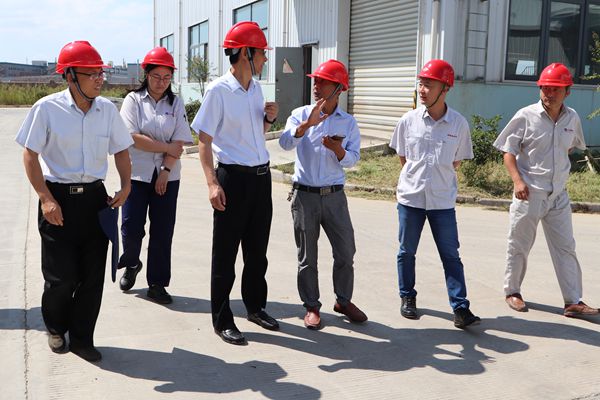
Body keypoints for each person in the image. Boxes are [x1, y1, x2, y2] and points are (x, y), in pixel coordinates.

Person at [15, 41, 133, 361]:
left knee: (92, 278)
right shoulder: (47, 109)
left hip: (95, 201)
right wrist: (45, 198)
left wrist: (125, 186)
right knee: (61, 278)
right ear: (70, 76)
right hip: (58, 201)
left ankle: (82, 338)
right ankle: (56, 328)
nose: (99, 79)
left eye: (101, 73)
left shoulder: (107, 111)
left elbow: (121, 151)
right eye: (92, 74)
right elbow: (30, 155)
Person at [190, 21, 279, 345]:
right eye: (262, 53)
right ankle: (222, 318)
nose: (265, 59)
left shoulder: (255, 89)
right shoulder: (219, 91)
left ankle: (255, 307)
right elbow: (204, 140)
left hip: (261, 179)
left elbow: (251, 133)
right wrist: (212, 184)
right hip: (233, 180)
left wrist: (268, 119)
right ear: (245, 53)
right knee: (225, 255)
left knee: (257, 253)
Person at [494, 62, 599, 317]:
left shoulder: (572, 118)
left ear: (567, 92)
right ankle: (512, 291)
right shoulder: (525, 116)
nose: (549, 93)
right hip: (529, 193)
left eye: (555, 89)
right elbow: (508, 152)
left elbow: (570, 147)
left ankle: (573, 301)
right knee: (519, 245)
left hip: (558, 195)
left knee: (566, 247)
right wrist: (518, 181)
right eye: (545, 88)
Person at [389, 59, 480, 329]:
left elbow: (456, 162)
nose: (422, 90)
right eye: (421, 84)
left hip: (442, 201)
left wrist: (436, 179)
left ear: (445, 88)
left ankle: (460, 308)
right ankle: (407, 297)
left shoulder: (458, 124)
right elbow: (403, 157)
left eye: (429, 85)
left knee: (451, 255)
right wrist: (417, 179)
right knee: (406, 252)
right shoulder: (408, 121)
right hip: (411, 198)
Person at [279, 60, 367, 330]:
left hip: (334, 197)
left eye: (323, 82)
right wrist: (306, 126)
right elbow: (284, 143)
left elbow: (353, 158)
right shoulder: (300, 114)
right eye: (315, 81)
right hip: (305, 195)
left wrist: (338, 151)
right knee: (308, 256)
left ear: (339, 88)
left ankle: (343, 301)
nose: (316, 86)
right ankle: (311, 306)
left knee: (346, 251)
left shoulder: (348, 122)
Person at [116, 47, 193, 304]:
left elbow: (179, 141)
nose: (161, 82)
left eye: (167, 77)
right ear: (146, 74)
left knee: (162, 231)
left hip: (168, 178)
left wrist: (166, 170)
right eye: (156, 76)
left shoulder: (176, 103)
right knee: (131, 228)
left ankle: (157, 284)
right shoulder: (133, 100)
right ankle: (132, 263)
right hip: (136, 175)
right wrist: (165, 147)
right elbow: (131, 137)